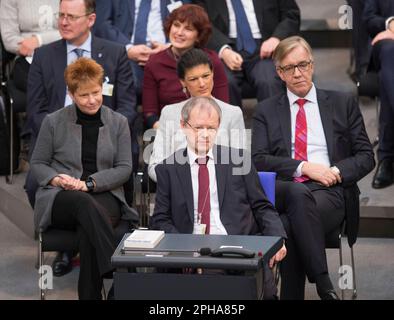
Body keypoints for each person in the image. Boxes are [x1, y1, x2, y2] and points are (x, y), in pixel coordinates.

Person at [251, 36, 375, 300]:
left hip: (329, 190)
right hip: (286, 190)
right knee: (296, 197)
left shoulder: (342, 103)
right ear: (279, 73)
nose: (298, 73)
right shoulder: (266, 110)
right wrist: (304, 167)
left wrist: (334, 172)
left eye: (303, 65)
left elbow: (366, 156)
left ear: (313, 64)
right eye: (289, 68)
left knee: (288, 225)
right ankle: (322, 282)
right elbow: (259, 159)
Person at [25, 0, 136, 277]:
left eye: (71, 16)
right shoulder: (43, 55)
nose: (63, 21)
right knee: (35, 183)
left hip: (104, 149)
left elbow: (127, 106)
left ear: (91, 19)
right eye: (60, 15)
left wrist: (111, 129)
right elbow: (36, 110)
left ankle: (78, 251)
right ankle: (119, 273)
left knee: (90, 207)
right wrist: (59, 137)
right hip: (58, 153)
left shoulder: (114, 52)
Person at [150, 96, 287, 300]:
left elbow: (262, 207)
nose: (205, 134)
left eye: (211, 128)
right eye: (198, 128)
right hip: (192, 250)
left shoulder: (239, 160)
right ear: (183, 125)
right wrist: (186, 249)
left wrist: (278, 239)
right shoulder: (168, 168)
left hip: (240, 248)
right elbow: (160, 219)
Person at [30, 57, 139, 300]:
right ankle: (119, 271)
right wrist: (57, 179)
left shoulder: (118, 122)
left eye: (96, 92)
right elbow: (37, 164)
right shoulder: (53, 122)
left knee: (88, 225)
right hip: (62, 197)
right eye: (83, 95)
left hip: (105, 194)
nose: (91, 100)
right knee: (83, 203)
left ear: (103, 88)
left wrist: (90, 183)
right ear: (71, 94)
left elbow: (124, 168)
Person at [148, 48, 245, 182]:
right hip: (178, 192)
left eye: (206, 76)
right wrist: (181, 185)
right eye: (193, 79)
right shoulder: (169, 113)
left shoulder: (233, 113)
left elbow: (240, 165)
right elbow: (155, 166)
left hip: (220, 192)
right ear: (183, 82)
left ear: (212, 74)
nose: (202, 84)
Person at [193, 0, 300, 108]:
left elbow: (291, 15)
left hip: (265, 47)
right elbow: (201, 23)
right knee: (225, 81)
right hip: (225, 47)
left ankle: (274, 124)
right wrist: (223, 49)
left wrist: (277, 38)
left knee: (268, 80)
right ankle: (231, 124)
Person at [142, 4, 229, 129]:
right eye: (176, 25)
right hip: (168, 130)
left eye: (188, 29)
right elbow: (149, 113)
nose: (179, 33)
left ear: (199, 36)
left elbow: (222, 107)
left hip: (207, 130)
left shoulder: (212, 61)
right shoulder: (154, 63)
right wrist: (172, 132)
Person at [94, 0, 190, 96]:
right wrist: (128, 49)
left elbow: (193, 25)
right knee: (118, 88)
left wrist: (170, 47)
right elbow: (102, 24)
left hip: (168, 54)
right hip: (126, 54)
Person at [364, 0, 394, 189]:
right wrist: (389, 24)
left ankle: (387, 156)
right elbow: (368, 18)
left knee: (387, 81)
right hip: (388, 45)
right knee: (391, 53)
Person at [0, 0, 60, 92]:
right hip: (28, 58)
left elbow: (78, 30)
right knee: (42, 86)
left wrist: (39, 40)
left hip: (66, 51)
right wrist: (58, 37)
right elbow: (10, 40)